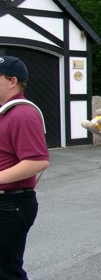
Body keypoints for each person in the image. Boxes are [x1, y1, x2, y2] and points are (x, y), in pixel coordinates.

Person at [0, 56, 50, 280]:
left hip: (12, 204)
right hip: (6, 202)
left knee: (8, 272)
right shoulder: (5, 113)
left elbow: (37, 162)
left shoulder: (23, 114)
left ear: (12, 81)